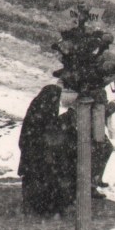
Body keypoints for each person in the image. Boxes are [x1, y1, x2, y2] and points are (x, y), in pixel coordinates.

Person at [18, 85, 76, 214]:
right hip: (38, 153)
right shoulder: (44, 109)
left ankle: (35, 205)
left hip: (33, 153)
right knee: (47, 176)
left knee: (36, 178)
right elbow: (48, 129)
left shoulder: (37, 107)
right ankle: (45, 206)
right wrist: (67, 117)